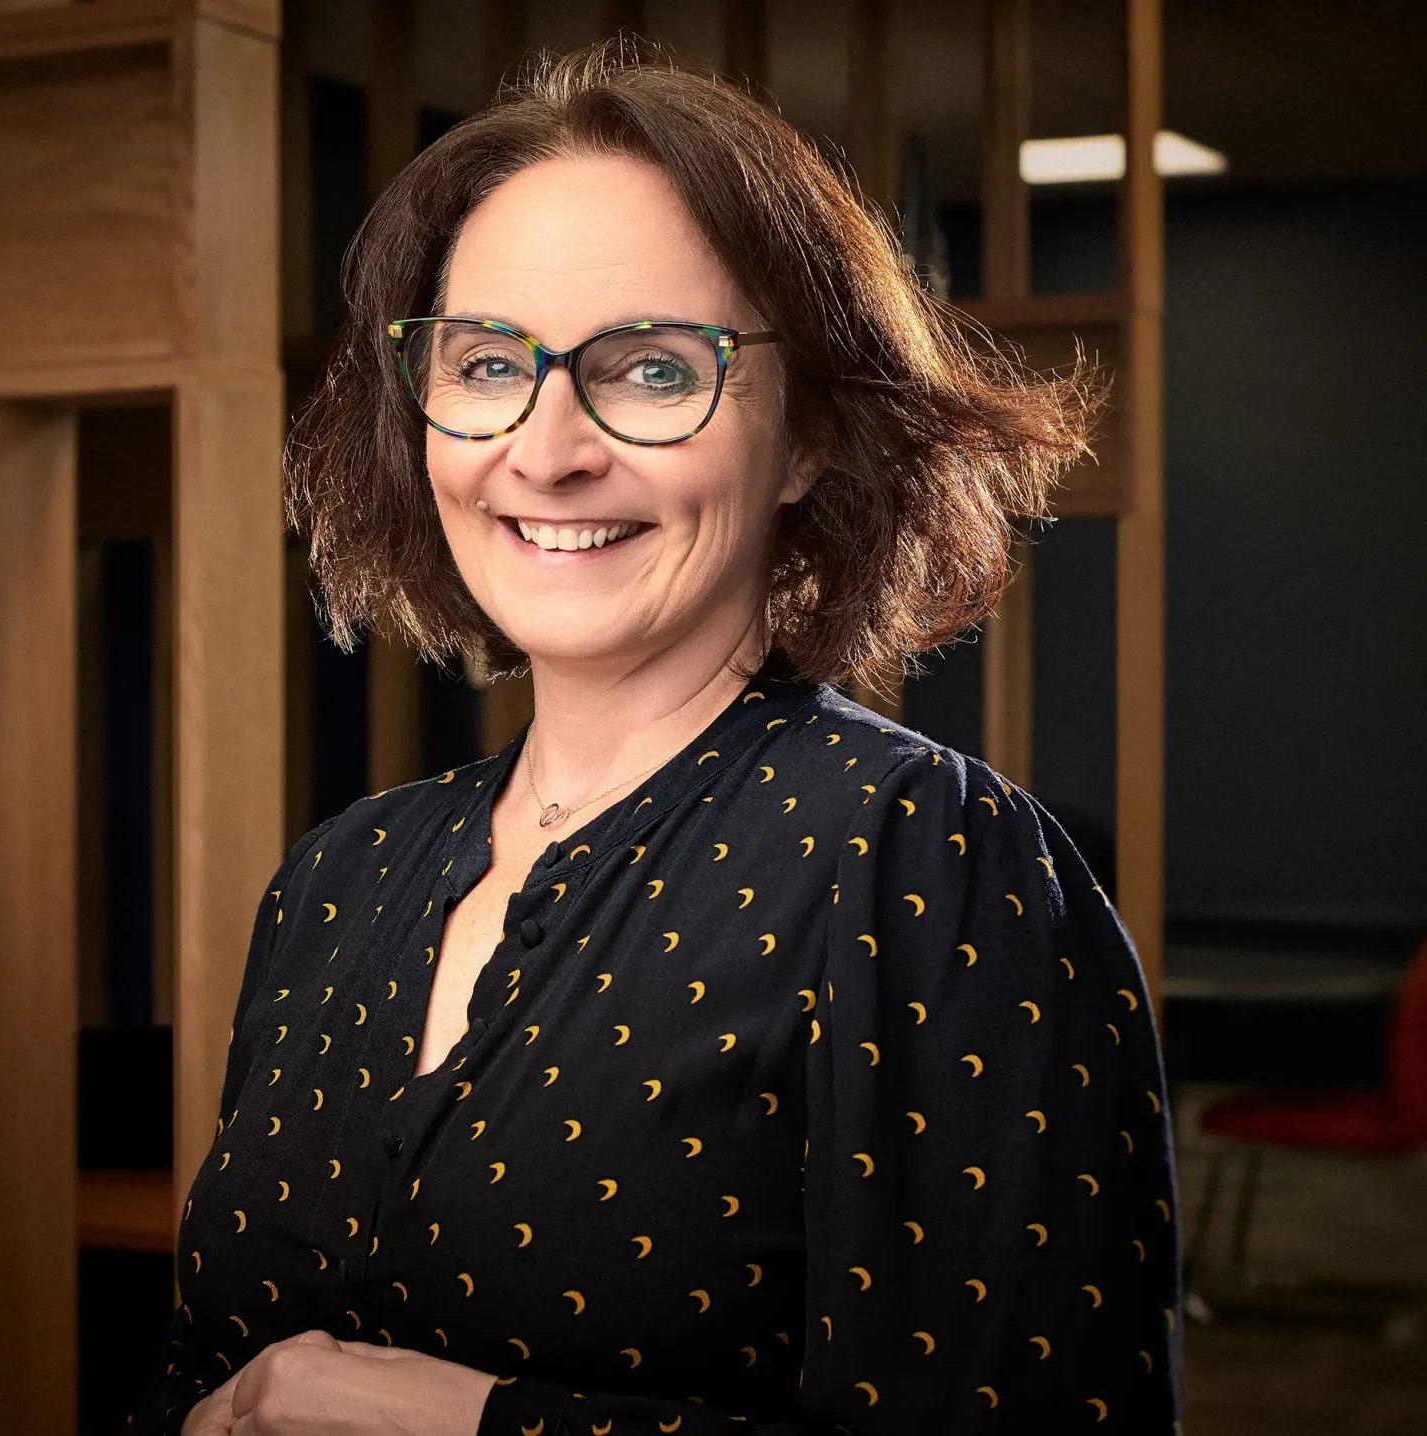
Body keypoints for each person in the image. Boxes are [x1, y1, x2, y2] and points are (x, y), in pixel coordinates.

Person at [143, 40, 1181, 1436]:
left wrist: (464, 1421)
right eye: (488, 362)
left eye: (646, 369)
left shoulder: (920, 859)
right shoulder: (341, 879)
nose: (547, 446)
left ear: (806, 433)